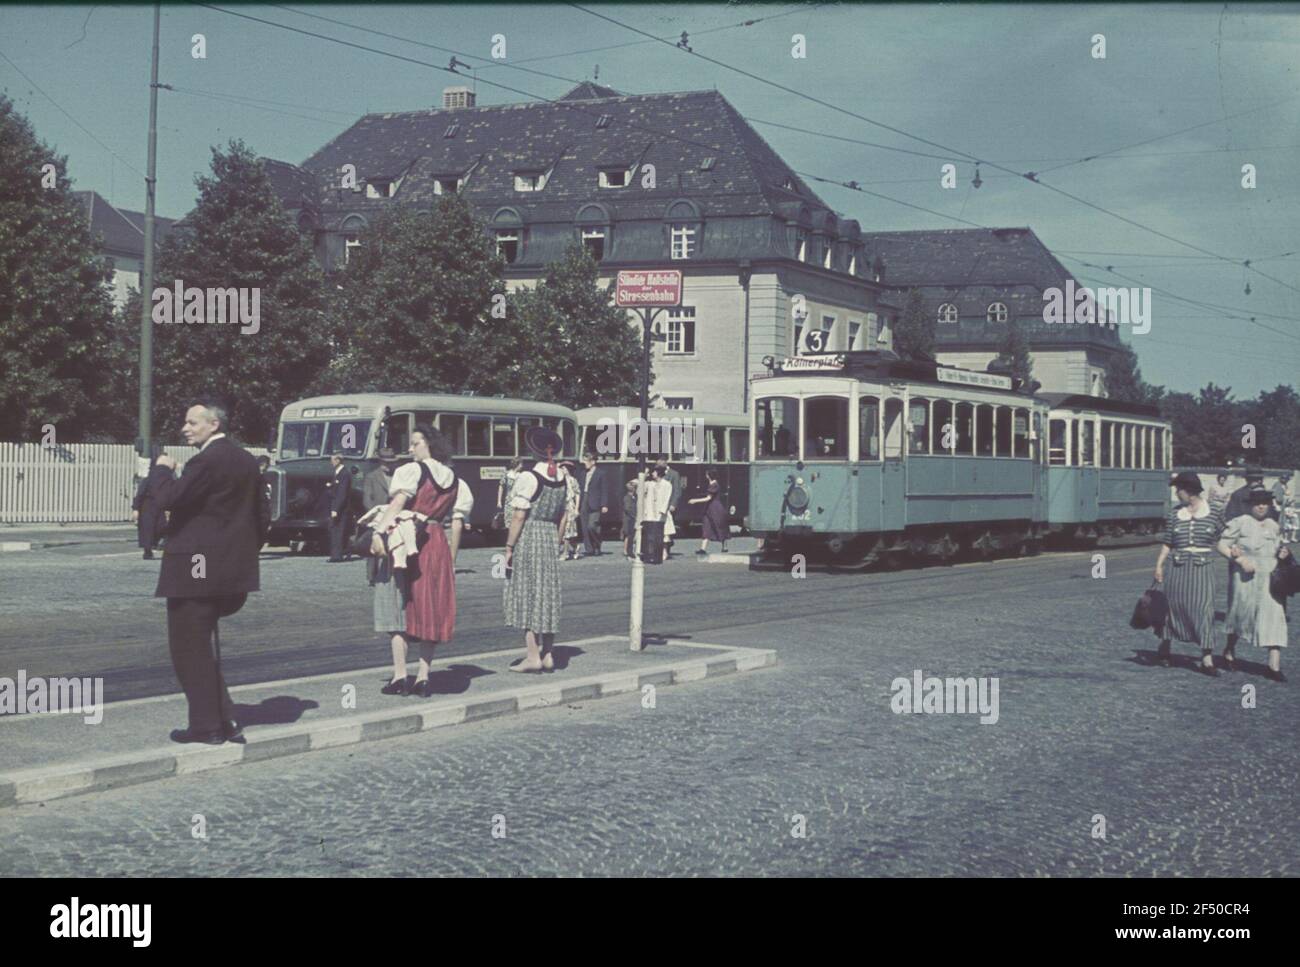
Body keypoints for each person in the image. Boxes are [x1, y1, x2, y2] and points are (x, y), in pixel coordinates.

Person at [153, 402, 266, 744]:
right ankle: (223, 718)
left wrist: (161, 470)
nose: (185, 428)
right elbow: (262, 517)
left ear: (214, 424)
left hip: (194, 569)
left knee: (188, 649)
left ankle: (206, 726)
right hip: (231, 571)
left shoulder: (205, 460)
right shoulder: (247, 460)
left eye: (192, 422)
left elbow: (168, 499)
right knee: (201, 647)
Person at [369, 427, 472, 697]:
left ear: (428, 444)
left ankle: (400, 675)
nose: (410, 449)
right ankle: (424, 677)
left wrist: (379, 530)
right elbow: (457, 522)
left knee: (397, 604)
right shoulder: (453, 478)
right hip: (436, 541)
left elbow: (398, 503)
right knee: (429, 607)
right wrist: (451, 557)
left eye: (415, 443)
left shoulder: (413, 471)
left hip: (408, 540)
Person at [503, 427, 569, 673]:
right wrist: (557, 541)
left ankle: (533, 656)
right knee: (547, 595)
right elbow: (564, 515)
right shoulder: (563, 477)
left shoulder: (528, 477)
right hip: (550, 536)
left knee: (527, 594)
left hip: (530, 536)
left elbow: (519, 516)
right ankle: (549, 654)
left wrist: (509, 546)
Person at [1153, 471, 1224, 675]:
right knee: (1172, 608)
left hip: (1202, 569)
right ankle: (1165, 648)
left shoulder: (1214, 511)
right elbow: (1168, 543)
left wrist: (1236, 555)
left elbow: (1221, 541)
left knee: (1204, 610)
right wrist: (1159, 566)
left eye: (1179, 490)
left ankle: (1207, 659)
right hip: (1177, 569)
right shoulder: (1175, 514)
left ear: (1189, 491)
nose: (1177, 493)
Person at [1217, 487, 1290, 682]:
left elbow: (1279, 548)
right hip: (1245, 579)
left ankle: (1273, 664)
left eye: (1265, 503)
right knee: (1240, 615)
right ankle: (1229, 651)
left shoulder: (1273, 526)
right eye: (1257, 503)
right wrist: (1239, 560)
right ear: (1250, 505)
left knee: (1275, 617)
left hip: (1270, 580)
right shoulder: (1239, 523)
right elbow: (1221, 545)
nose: (1261, 506)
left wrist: (1283, 554)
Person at [132, 448, 173, 560]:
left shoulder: (169, 478)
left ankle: (154, 544)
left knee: (161, 527)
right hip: (147, 505)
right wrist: (135, 509)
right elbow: (140, 494)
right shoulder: (148, 479)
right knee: (147, 529)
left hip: (159, 506)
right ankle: (147, 551)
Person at [579, 451, 612, 557]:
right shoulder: (583, 473)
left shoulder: (601, 473)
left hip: (595, 501)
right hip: (584, 499)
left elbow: (604, 489)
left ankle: (597, 544)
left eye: (586, 461)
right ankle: (589, 549)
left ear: (593, 462)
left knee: (592, 526)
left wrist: (604, 504)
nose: (584, 463)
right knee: (584, 526)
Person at [688, 469, 729, 555]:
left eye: (706, 474)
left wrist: (695, 500)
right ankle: (703, 549)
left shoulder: (714, 485)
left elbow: (708, 498)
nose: (705, 475)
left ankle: (724, 546)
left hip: (716, 509)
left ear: (709, 475)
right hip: (710, 509)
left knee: (719, 527)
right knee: (707, 527)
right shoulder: (712, 484)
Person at [641, 464, 674, 564]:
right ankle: (651, 554)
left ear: (659, 473)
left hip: (661, 513)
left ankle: (662, 553)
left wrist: (663, 510)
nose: (652, 474)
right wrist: (644, 475)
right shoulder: (650, 484)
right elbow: (637, 486)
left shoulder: (667, 484)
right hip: (650, 512)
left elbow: (667, 498)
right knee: (651, 535)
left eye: (654, 472)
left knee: (663, 534)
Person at [325, 454, 352, 562]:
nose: (331, 462)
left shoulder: (344, 474)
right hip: (338, 507)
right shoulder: (338, 473)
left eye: (332, 460)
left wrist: (335, 509)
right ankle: (339, 553)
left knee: (337, 531)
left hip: (341, 508)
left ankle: (337, 556)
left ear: (338, 460)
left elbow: (342, 493)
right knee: (335, 530)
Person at [559, 460, 581, 560]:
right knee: (563, 531)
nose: (562, 470)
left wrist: (577, 508)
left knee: (567, 530)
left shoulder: (572, 480)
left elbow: (577, 494)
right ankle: (576, 547)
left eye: (564, 468)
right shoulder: (559, 480)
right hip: (561, 507)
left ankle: (565, 553)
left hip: (569, 507)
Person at [622, 479, 638, 559]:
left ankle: (626, 550)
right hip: (628, 519)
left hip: (629, 518)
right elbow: (628, 509)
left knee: (629, 535)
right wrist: (635, 516)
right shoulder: (628, 498)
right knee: (628, 535)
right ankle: (626, 550)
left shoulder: (631, 497)